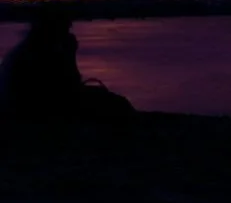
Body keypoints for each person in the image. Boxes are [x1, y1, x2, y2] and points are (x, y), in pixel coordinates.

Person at [0, 10, 133, 122]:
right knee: (116, 104)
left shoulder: (28, 50)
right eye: (65, 28)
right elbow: (67, 88)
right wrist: (70, 54)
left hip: (25, 108)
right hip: (35, 112)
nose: (68, 33)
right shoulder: (41, 53)